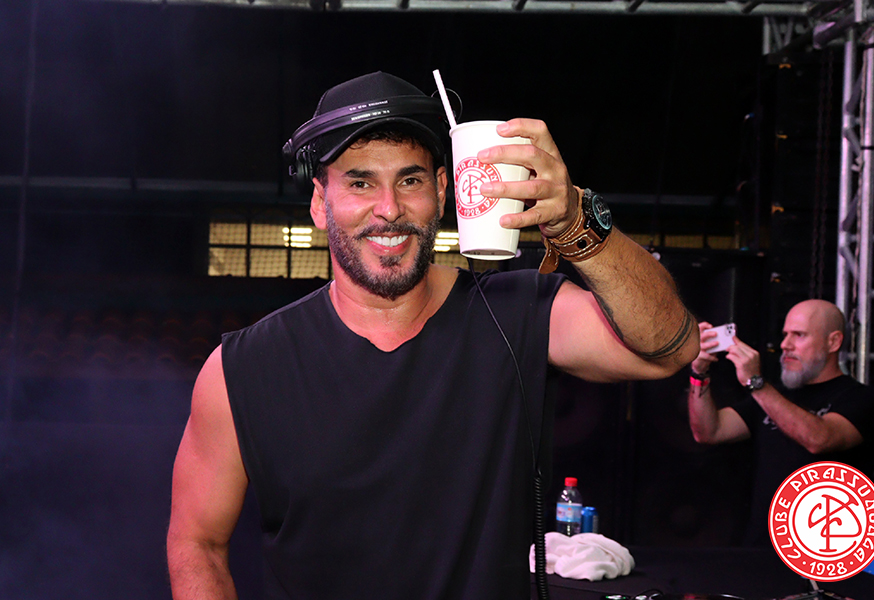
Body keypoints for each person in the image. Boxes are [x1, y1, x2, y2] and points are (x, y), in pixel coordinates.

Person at [166, 71, 699, 600]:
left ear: (443, 191)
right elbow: (197, 544)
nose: (389, 209)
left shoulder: (521, 313)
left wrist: (579, 222)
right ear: (318, 202)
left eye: (410, 180)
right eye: (359, 183)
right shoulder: (244, 368)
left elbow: (670, 348)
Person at [688, 299, 874, 546]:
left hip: (826, 552)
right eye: (784, 335)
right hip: (762, 550)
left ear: (833, 342)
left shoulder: (861, 398)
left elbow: (819, 439)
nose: (785, 345)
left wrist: (756, 383)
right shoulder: (773, 396)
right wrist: (699, 373)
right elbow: (709, 431)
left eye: (799, 335)